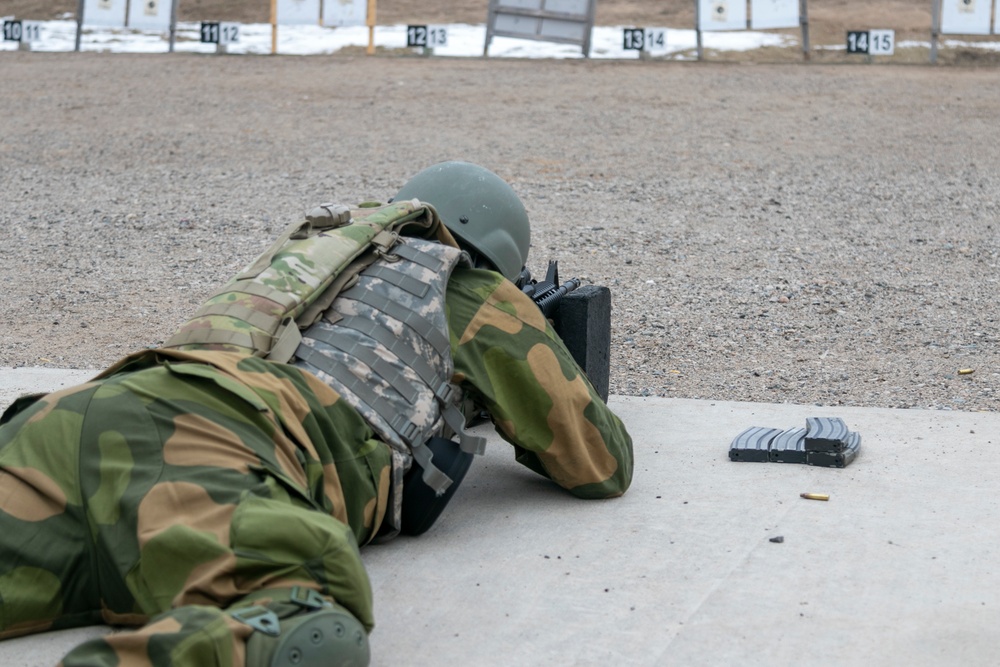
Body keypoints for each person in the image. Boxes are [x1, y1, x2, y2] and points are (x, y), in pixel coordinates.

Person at [0, 161, 633, 666]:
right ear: (499, 259)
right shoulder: (470, 289)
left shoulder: (313, 252)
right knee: (307, 622)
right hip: (218, 448)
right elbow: (599, 464)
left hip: (85, 409)